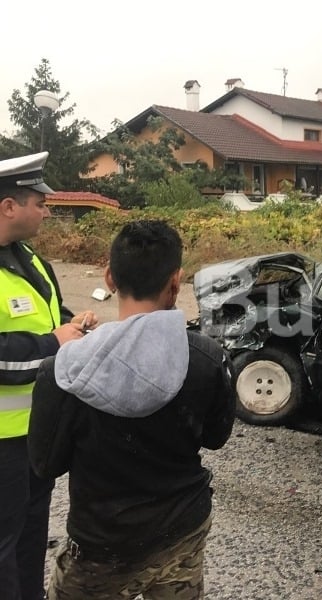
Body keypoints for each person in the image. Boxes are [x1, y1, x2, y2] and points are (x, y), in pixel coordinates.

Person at [28, 219, 236, 599]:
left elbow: (46, 465)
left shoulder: (62, 370)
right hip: (182, 533)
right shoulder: (208, 357)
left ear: (109, 278)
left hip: (100, 550)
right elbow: (216, 437)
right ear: (176, 281)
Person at [0, 151, 98, 600]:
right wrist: (54, 344)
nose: (46, 210)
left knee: (30, 536)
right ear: (9, 206)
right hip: (2, 443)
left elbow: (54, 315)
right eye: (39, 202)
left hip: (37, 434)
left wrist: (77, 326)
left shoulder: (31, 259)